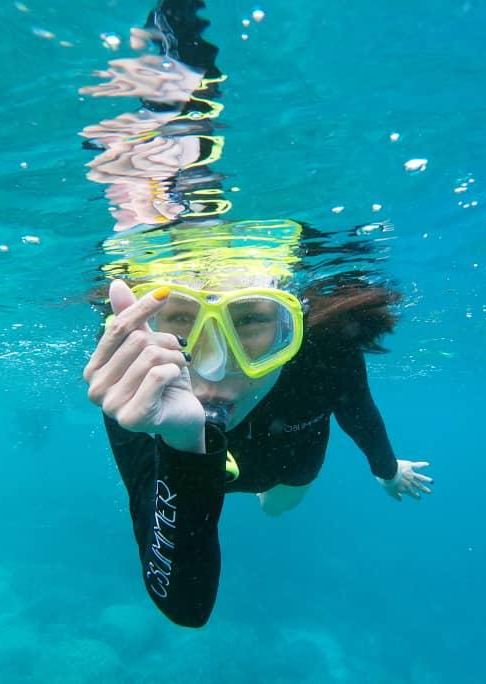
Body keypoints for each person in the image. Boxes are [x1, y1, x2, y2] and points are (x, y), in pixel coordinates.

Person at [80, 2, 433, 628]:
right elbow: (185, 606)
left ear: (294, 327)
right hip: (196, 474)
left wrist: (386, 470)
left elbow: (358, 412)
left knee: (279, 505)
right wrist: (184, 448)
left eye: (250, 322)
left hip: (288, 466)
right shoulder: (140, 379)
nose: (215, 372)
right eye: (181, 324)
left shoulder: (322, 352)